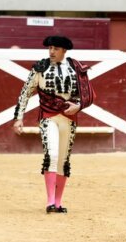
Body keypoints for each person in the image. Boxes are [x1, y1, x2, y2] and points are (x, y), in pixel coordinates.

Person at [13, 36, 88, 214]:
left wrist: (79, 106)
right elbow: (25, 92)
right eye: (50, 48)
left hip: (69, 119)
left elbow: (87, 93)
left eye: (55, 48)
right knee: (52, 154)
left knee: (63, 160)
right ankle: (50, 202)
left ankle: (58, 202)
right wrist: (19, 117)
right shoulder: (40, 68)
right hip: (48, 117)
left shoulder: (76, 67)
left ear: (64, 51)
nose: (51, 51)